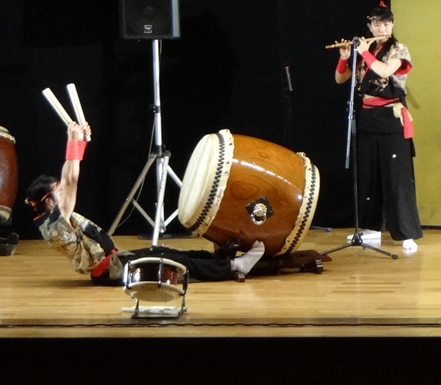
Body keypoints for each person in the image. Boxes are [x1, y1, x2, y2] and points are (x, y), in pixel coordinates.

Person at [25, 121, 265, 284]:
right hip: (111, 271)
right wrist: (73, 141)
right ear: (47, 200)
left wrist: (81, 142)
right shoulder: (56, 224)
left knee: (166, 251)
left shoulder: (51, 215)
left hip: (115, 261)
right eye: (58, 190)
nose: (63, 189)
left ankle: (221, 259)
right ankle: (235, 266)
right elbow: (71, 178)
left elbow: (67, 177)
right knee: (174, 263)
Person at [335, 2, 421, 253]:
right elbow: (341, 78)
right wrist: (343, 58)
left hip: (392, 117)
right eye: (377, 23)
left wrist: (363, 52)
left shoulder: (398, 49)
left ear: (393, 24)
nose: (382, 27)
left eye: (387, 23)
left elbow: (384, 70)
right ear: (369, 25)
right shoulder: (368, 49)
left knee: (396, 177)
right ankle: (371, 230)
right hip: (368, 118)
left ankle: (406, 234)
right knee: (369, 175)